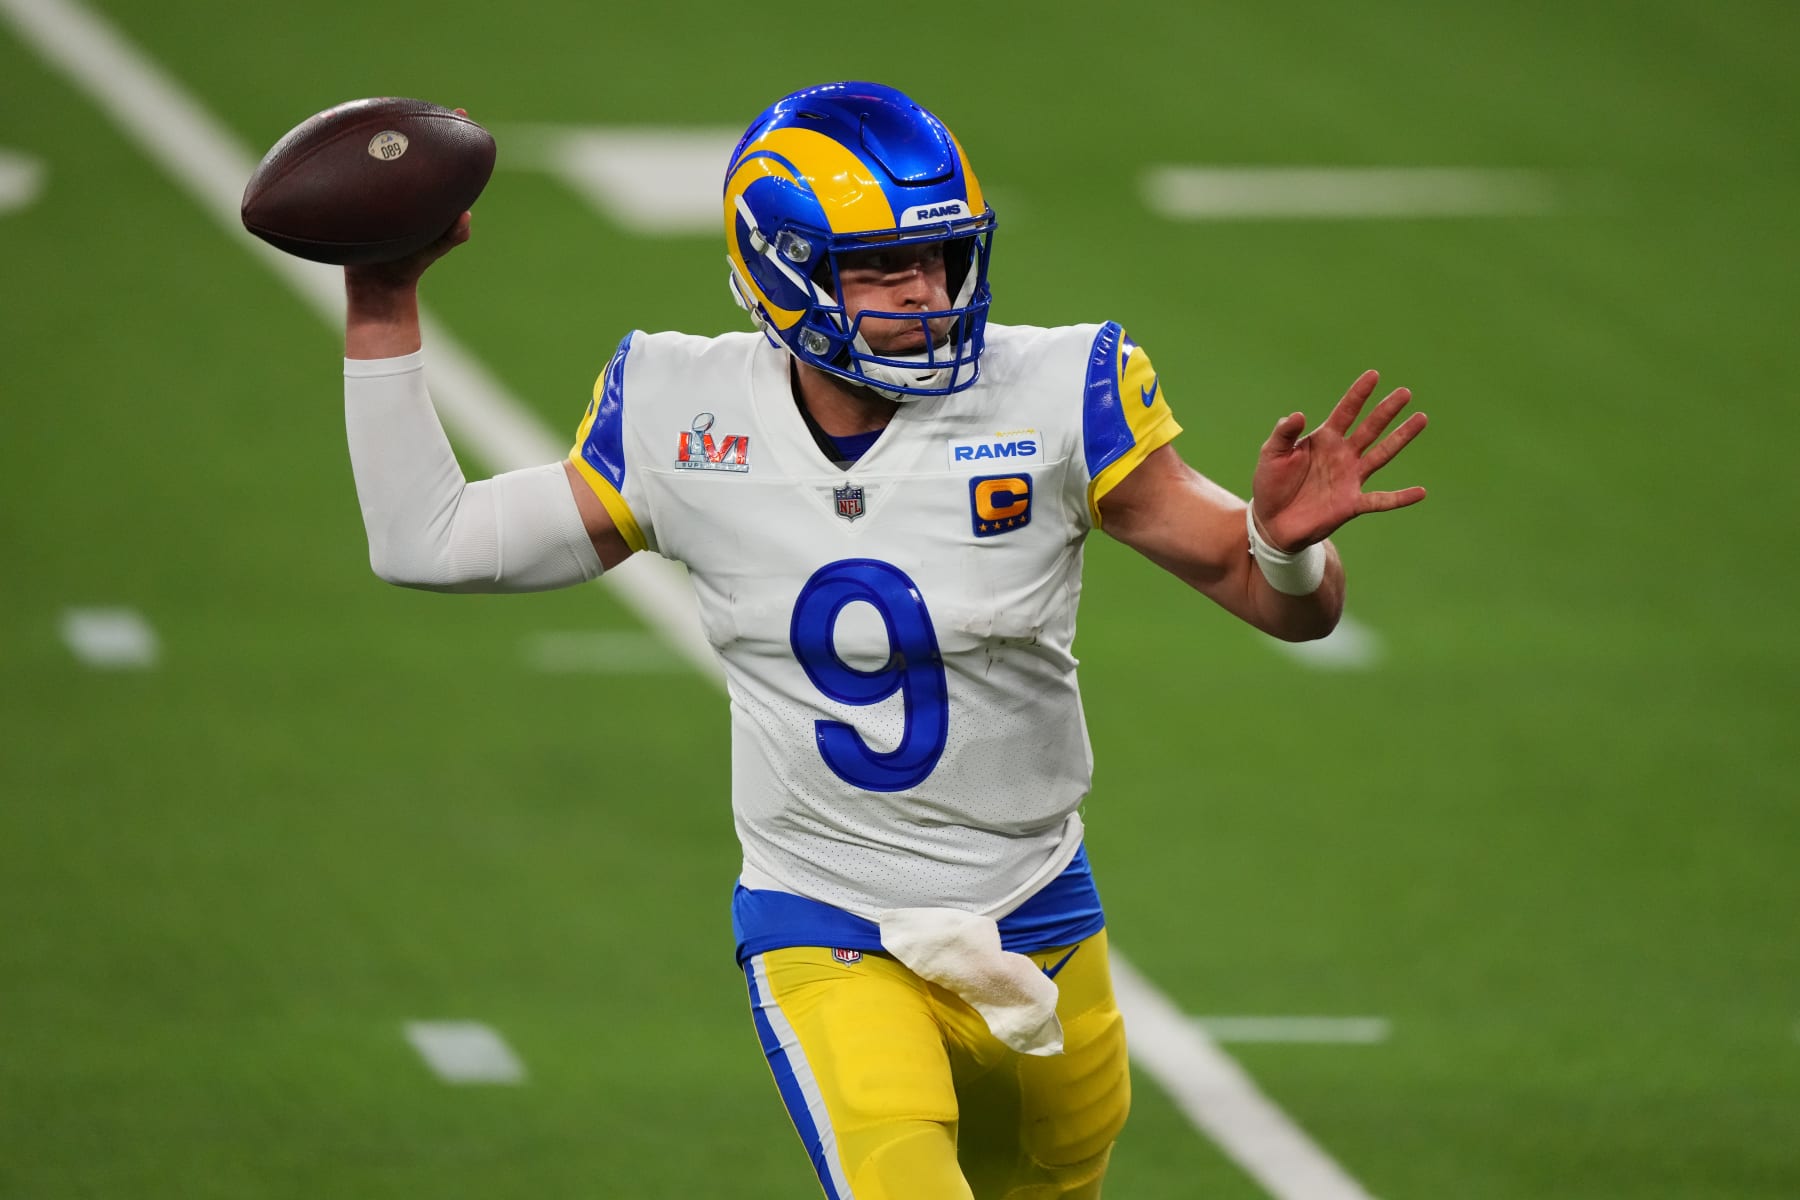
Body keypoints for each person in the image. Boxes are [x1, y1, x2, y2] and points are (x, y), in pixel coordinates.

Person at [338, 81, 1426, 1200]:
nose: (927, 293)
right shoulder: (678, 409)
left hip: (1043, 914)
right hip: (826, 922)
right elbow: (431, 540)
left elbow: (1273, 598)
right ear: (780, 269)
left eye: (942, 257)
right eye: (878, 268)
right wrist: (380, 300)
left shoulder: (1056, 392)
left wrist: (1285, 547)